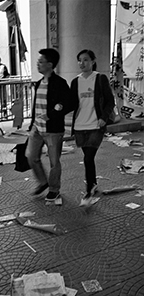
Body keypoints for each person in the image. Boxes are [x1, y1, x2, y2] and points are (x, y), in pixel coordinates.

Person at [26, 48, 74, 201]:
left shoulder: (60, 83)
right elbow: (36, 106)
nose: (37, 64)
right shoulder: (39, 83)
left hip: (53, 130)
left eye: (41, 62)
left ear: (50, 64)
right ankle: (43, 182)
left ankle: (54, 188)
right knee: (31, 156)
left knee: (54, 162)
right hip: (37, 127)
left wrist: (52, 114)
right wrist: (31, 124)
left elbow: (69, 103)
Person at [70, 49, 115, 207]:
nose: (82, 63)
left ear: (93, 61)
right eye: (79, 60)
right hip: (80, 126)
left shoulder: (100, 78)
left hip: (96, 125)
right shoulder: (75, 81)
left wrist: (104, 117)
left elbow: (110, 101)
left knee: (88, 158)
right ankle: (93, 182)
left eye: (86, 60)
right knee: (89, 158)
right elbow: (72, 103)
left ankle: (89, 189)